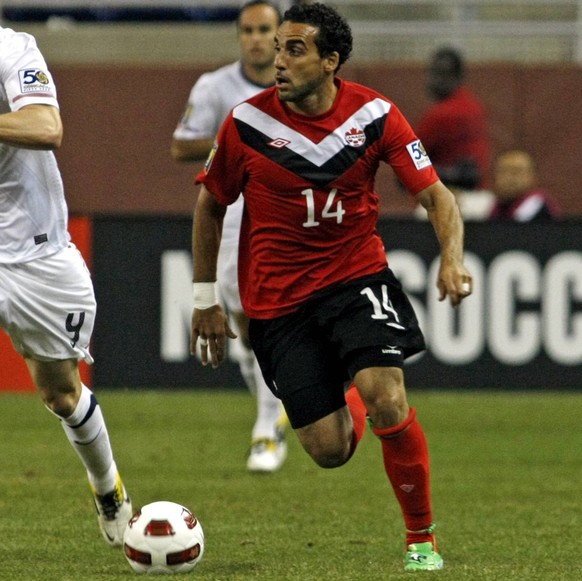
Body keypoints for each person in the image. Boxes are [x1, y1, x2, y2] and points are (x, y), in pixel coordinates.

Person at [190, 2, 473, 572]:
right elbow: (209, 206)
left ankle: (422, 540)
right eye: (278, 49)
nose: (279, 61)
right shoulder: (246, 124)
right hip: (277, 301)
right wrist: (204, 299)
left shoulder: (375, 116)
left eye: (295, 49)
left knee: (388, 397)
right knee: (329, 450)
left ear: (330, 60)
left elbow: (438, 196)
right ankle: (348, 391)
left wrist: (451, 260)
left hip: (355, 277)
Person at [0, 26, 132, 546]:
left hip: (35, 256)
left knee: (60, 394)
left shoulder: (13, 49)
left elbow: (46, 124)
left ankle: (108, 488)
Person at [172, 0, 288, 473]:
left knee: (271, 314)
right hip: (234, 208)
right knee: (239, 315)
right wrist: (242, 138)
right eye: (248, 30)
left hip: (289, 209)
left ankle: (268, 425)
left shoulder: (299, 83)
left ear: (281, 34)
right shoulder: (216, 86)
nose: (256, 38)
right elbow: (181, 145)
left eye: (265, 29)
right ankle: (272, 409)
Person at [416, 46, 490, 192]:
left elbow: (410, 159)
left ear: (456, 77)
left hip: (448, 197)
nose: (432, 80)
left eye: (439, 74)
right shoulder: (475, 107)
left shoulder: (441, 114)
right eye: (431, 73)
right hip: (480, 198)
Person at [488, 149, 562, 220]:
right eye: (503, 171)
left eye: (516, 172)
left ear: (532, 176)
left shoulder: (537, 204)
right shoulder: (494, 206)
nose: (509, 178)